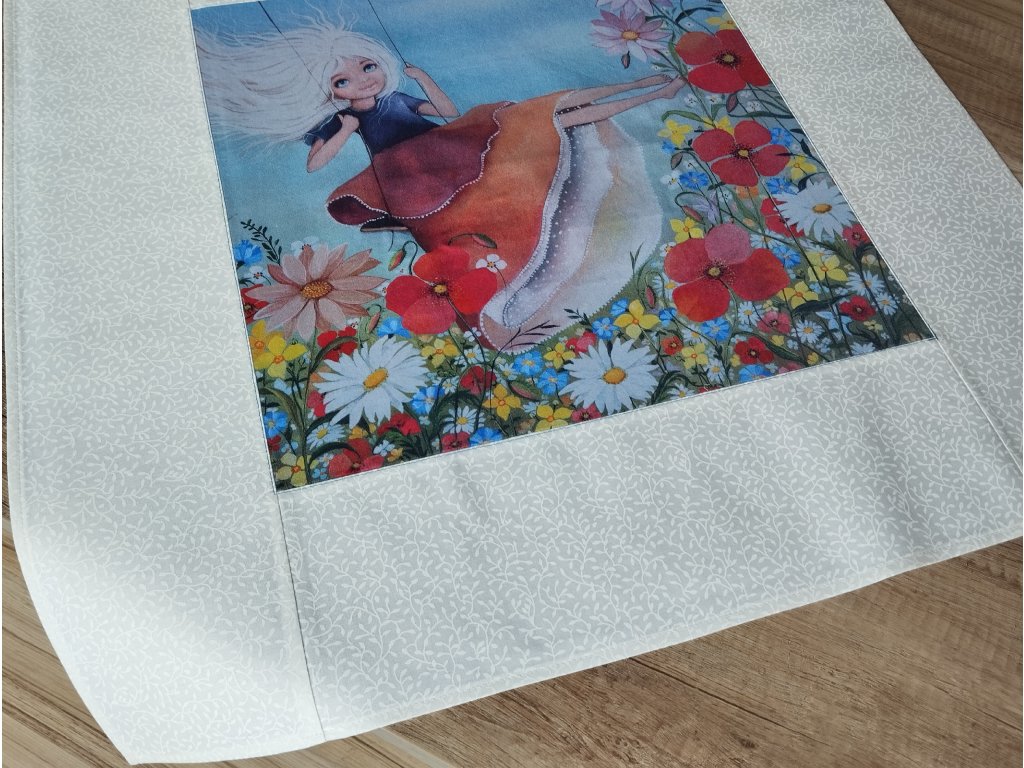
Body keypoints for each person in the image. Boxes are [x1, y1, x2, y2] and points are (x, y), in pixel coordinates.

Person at [196, 18, 682, 350]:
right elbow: (313, 166)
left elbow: (446, 112)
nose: (362, 81)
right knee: (480, 212)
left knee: (543, 114)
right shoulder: (343, 120)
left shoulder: (398, 99)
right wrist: (344, 129)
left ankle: (650, 88)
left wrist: (424, 78)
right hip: (411, 173)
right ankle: (506, 307)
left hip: (451, 145)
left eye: (367, 66)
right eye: (343, 81)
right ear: (328, 93)